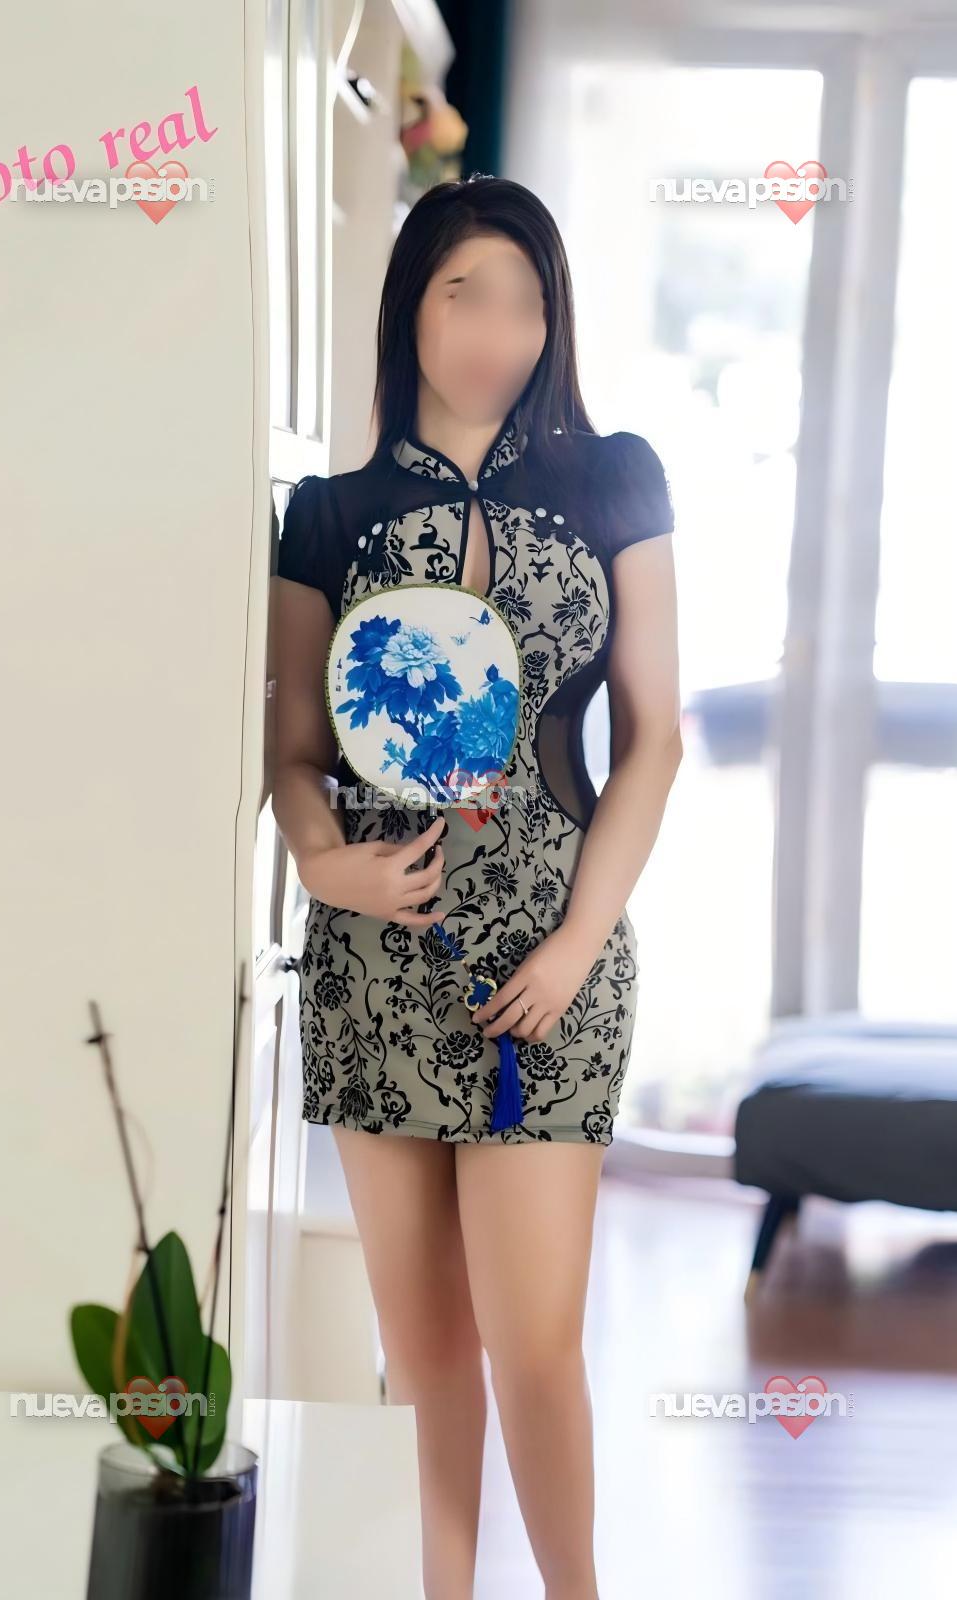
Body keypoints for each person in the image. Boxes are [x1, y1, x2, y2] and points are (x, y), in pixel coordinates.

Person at [270, 174, 682, 1600]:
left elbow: (655, 737)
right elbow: (294, 753)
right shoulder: (329, 513)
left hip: (552, 962)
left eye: (525, 302)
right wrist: (323, 862)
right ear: (410, 309)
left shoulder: (614, 476)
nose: (498, 331)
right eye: (465, 295)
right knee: (428, 1352)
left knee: (534, 1342)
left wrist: (576, 944)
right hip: (377, 964)